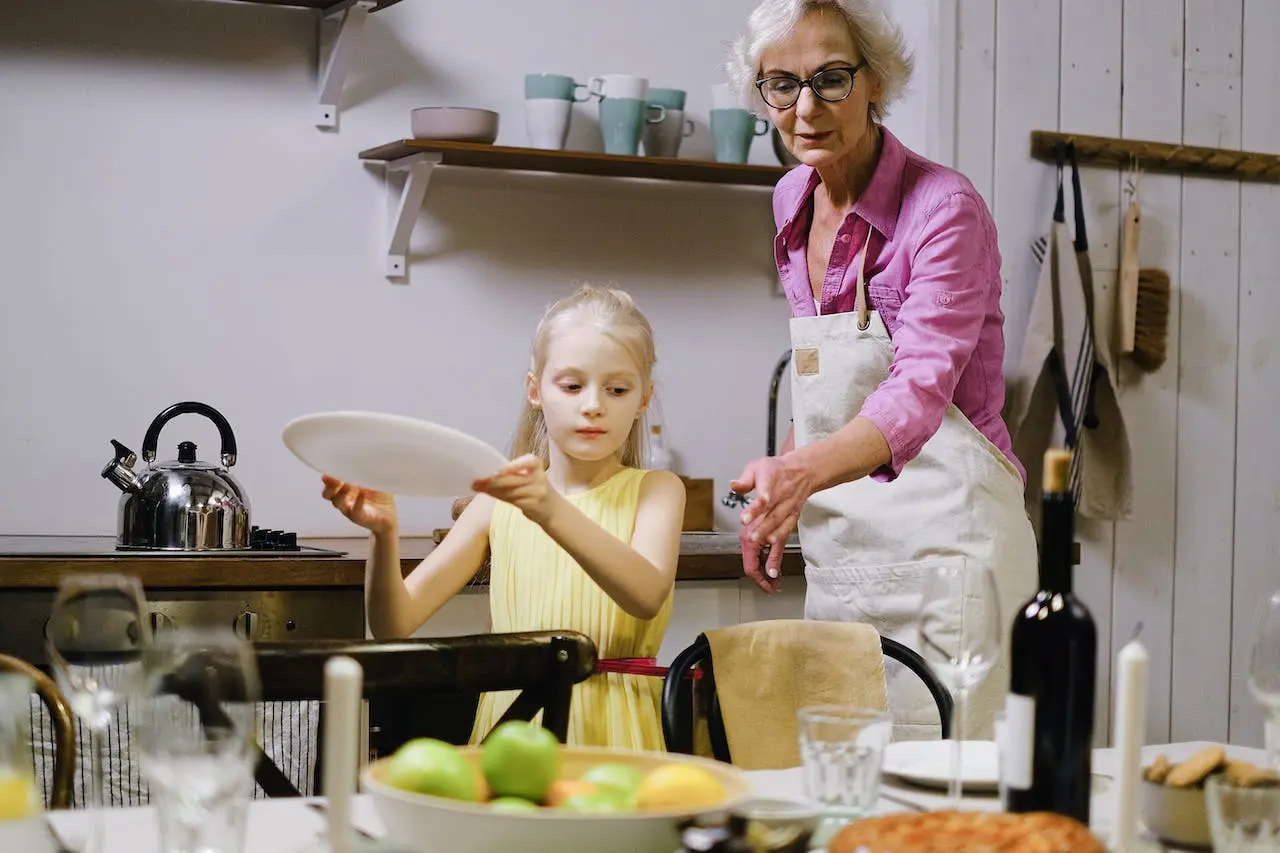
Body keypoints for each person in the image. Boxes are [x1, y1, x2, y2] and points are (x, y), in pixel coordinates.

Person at [725, 0, 1038, 741]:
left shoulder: (944, 208)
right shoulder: (791, 199)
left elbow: (918, 391)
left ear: (875, 81)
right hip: (847, 559)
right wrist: (781, 493)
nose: (806, 108)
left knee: (949, 804)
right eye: (781, 83)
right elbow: (821, 370)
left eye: (832, 78)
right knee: (842, 796)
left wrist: (801, 473)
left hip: (950, 558)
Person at [321, 284, 686, 751]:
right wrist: (383, 533)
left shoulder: (657, 490)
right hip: (511, 734)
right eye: (572, 385)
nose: (593, 404)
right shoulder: (497, 505)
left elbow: (646, 594)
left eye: (617, 389)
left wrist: (547, 507)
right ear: (535, 390)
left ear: (642, 399)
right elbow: (394, 624)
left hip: (615, 735)